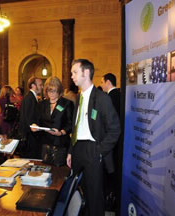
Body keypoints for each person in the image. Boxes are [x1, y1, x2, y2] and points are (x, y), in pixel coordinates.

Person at [67, 59, 120, 216]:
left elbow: (115, 129)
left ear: (86, 73)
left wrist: (99, 151)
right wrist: (71, 150)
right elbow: (75, 127)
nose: (72, 76)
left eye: (75, 72)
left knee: (95, 197)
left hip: (93, 150)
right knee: (77, 193)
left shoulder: (102, 98)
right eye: (72, 73)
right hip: (78, 150)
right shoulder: (78, 98)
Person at [31, 76, 73, 166]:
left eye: (54, 91)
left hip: (61, 144)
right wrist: (35, 126)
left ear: (59, 90)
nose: (51, 93)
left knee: (59, 173)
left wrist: (61, 132)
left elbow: (70, 123)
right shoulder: (41, 104)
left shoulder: (66, 103)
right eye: (49, 90)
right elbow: (37, 121)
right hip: (44, 145)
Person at [101, 73, 122, 211]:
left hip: (110, 141)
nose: (101, 85)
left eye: (102, 82)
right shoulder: (120, 95)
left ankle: (110, 200)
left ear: (108, 82)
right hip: (118, 141)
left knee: (110, 172)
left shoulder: (109, 98)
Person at [19, 76, 43, 158]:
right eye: (40, 85)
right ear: (33, 86)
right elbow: (30, 119)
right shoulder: (30, 98)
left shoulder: (31, 97)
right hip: (30, 137)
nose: (42, 87)